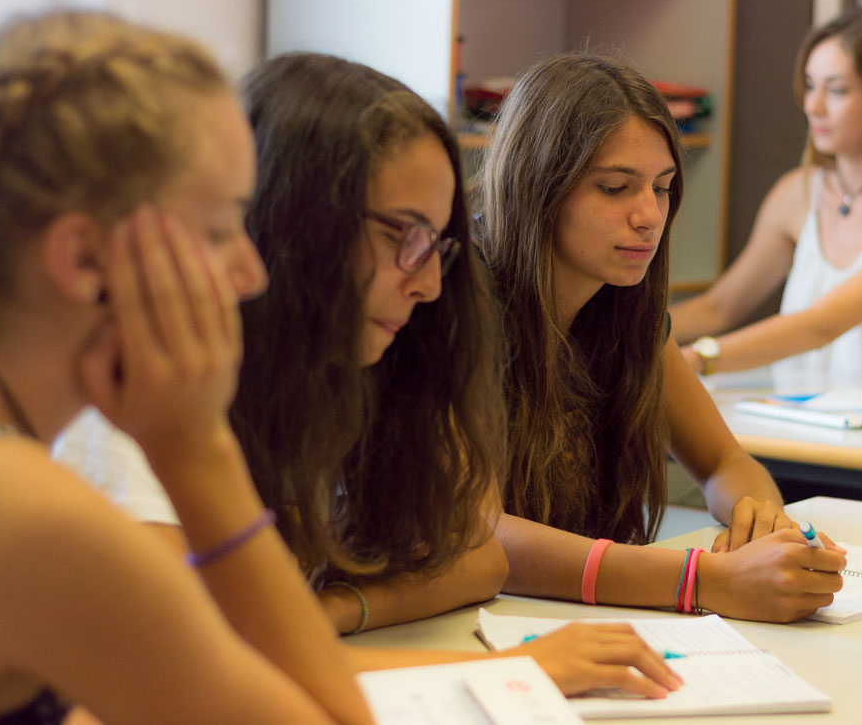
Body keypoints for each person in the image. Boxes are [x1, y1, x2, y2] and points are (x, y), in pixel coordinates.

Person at [56, 51, 682, 699]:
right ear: (294, 223)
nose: (431, 284)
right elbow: (191, 670)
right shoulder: (139, 403)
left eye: (437, 245)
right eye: (402, 237)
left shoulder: (322, 383)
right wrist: (516, 672)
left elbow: (477, 552)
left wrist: (334, 610)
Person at [0, 9, 373, 725]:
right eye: (218, 228)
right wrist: (197, 451)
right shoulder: (23, 516)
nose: (251, 273)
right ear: (85, 259)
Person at [476, 53, 847, 624]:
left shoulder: (626, 307)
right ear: (538, 184)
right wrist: (700, 580)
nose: (649, 215)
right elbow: (477, 530)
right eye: (615, 187)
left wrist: (761, 519)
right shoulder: (460, 302)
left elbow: (725, 460)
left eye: (664, 187)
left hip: (569, 622)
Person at [670, 7, 862, 384]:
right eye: (810, 85)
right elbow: (718, 308)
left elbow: (822, 324)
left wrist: (697, 359)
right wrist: (626, 330)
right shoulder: (796, 192)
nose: (813, 106)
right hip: (803, 433)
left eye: (837, 90)